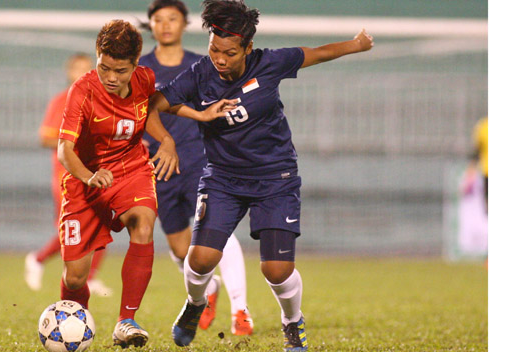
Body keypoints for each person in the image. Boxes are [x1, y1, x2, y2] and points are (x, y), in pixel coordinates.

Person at [147, 0, 374, 350]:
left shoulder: (270, 62)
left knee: (277, 271)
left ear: (247, 49)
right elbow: (154, 106)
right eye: (214, 49)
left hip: (275, 178)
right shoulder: (199, 74)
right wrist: (172, 137)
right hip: (222, 178)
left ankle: (291, 322)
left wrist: (356, 44)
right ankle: (195, 304)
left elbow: (317, 53)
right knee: (200, 259)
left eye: (229, 52)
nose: (219, 59)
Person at [56, 19, 179, 348]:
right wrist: (88, 176)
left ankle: (126, 320)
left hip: (130, 169)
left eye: (120, 71)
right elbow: (64, 149)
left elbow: (148, 111)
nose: (111, 77)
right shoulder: (82, 90)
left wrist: (165, 140)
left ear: (136, 64)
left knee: (143, 222)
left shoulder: (145, 79)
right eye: (104, 67)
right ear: (98, 55)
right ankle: (74, 321)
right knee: (75, 276)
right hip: (86, 180)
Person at [139, 0, 253, 335]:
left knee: (219, 232)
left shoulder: (204, 66)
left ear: (185, 24)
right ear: (152, 25)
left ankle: (241, 311)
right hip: (159, 168)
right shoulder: (141, 69)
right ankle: (210, 290)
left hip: (203, 161)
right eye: (158, 19)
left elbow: (229, 105)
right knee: (179, 249)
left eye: (172, 18)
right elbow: (137, 112)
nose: (166, 25)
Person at [25, 53, 112, 298]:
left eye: (89, 69)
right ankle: (38, 259)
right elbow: (45, 137)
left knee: (102, 222)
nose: (84, 74)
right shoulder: (61, 100)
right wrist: (75, 143)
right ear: (69, 73)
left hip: (95, 174)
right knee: (72, 230)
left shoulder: (101, 101)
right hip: (67, 176)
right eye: (79, 70)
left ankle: (91, 278)